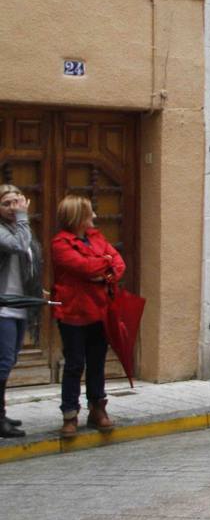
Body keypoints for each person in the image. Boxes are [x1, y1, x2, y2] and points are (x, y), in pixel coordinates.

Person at [51, 194, 125, 437]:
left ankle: (97, 408)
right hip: (72, 312)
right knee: (74, 364)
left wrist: (103, 271)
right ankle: (70, 414)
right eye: (89, 213)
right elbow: (83, 267)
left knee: (97, 362)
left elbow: (119, 263)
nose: (94, 216)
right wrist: (104, 265)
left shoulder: (96, 238)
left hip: (99, 310)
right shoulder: (60, 243)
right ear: (78, 217)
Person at [0, 185, 43, 438]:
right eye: (7, 203)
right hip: (3, 307)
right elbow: (18, 246)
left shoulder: (20, 229)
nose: (14, 208)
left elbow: (31, 260)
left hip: (19, 306)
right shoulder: (10, 231)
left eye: (17, 202)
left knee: (9, 361)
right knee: (3, 363)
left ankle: (2, 413)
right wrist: (23, 217)